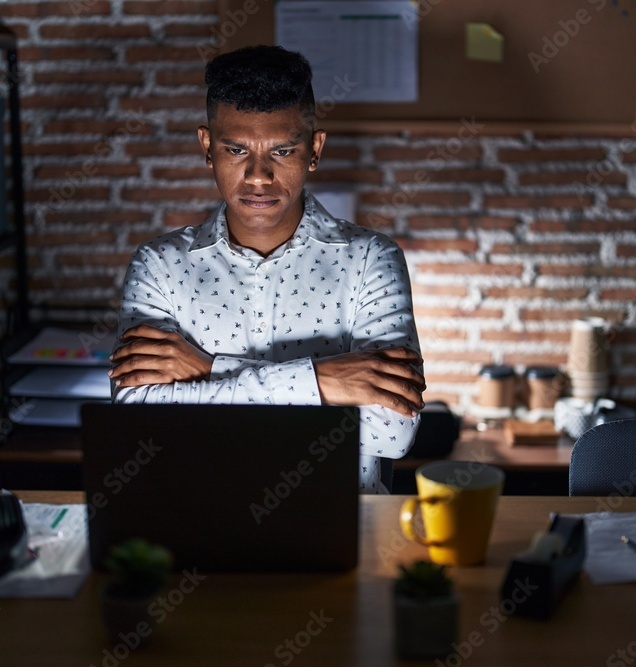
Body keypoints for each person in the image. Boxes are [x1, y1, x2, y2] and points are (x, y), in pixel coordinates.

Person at [108, 45, 424, 493]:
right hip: (196, 527)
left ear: (314, 150)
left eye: (282, 151)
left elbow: (392, 432)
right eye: (236, 149)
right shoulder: (159, 265)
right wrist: (323, 381)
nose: (258, 176)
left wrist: (207, 370)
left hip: (342, 531)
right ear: (207, 148)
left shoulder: (371, 259)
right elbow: (138, 424)